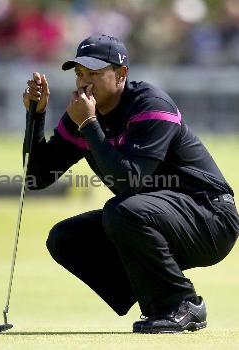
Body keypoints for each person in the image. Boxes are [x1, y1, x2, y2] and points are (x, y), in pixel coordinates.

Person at [22, 34, 239, 333]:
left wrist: (89, 125)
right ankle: (154, 294)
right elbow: (37, 176)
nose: (84, 82)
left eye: (94, 74)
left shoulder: (149, 104)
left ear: (121, 74)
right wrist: (37, 114)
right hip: (155, 219)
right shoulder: (83, 113)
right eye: (79, 74)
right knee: (65, 238)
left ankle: (182, 304)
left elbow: (129, 181)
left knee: (123, 210)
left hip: (211, 218)